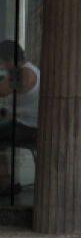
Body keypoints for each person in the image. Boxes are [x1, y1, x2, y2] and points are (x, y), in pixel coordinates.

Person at [0, 41, 39, 196]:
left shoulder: (22, 73)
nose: (3, 67)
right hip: (28, 124)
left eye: (2, 63)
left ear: (10, 59)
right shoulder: (31, 69)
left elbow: (2, 91)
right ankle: (5, 181)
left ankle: (4, 183)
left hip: (27, 127)